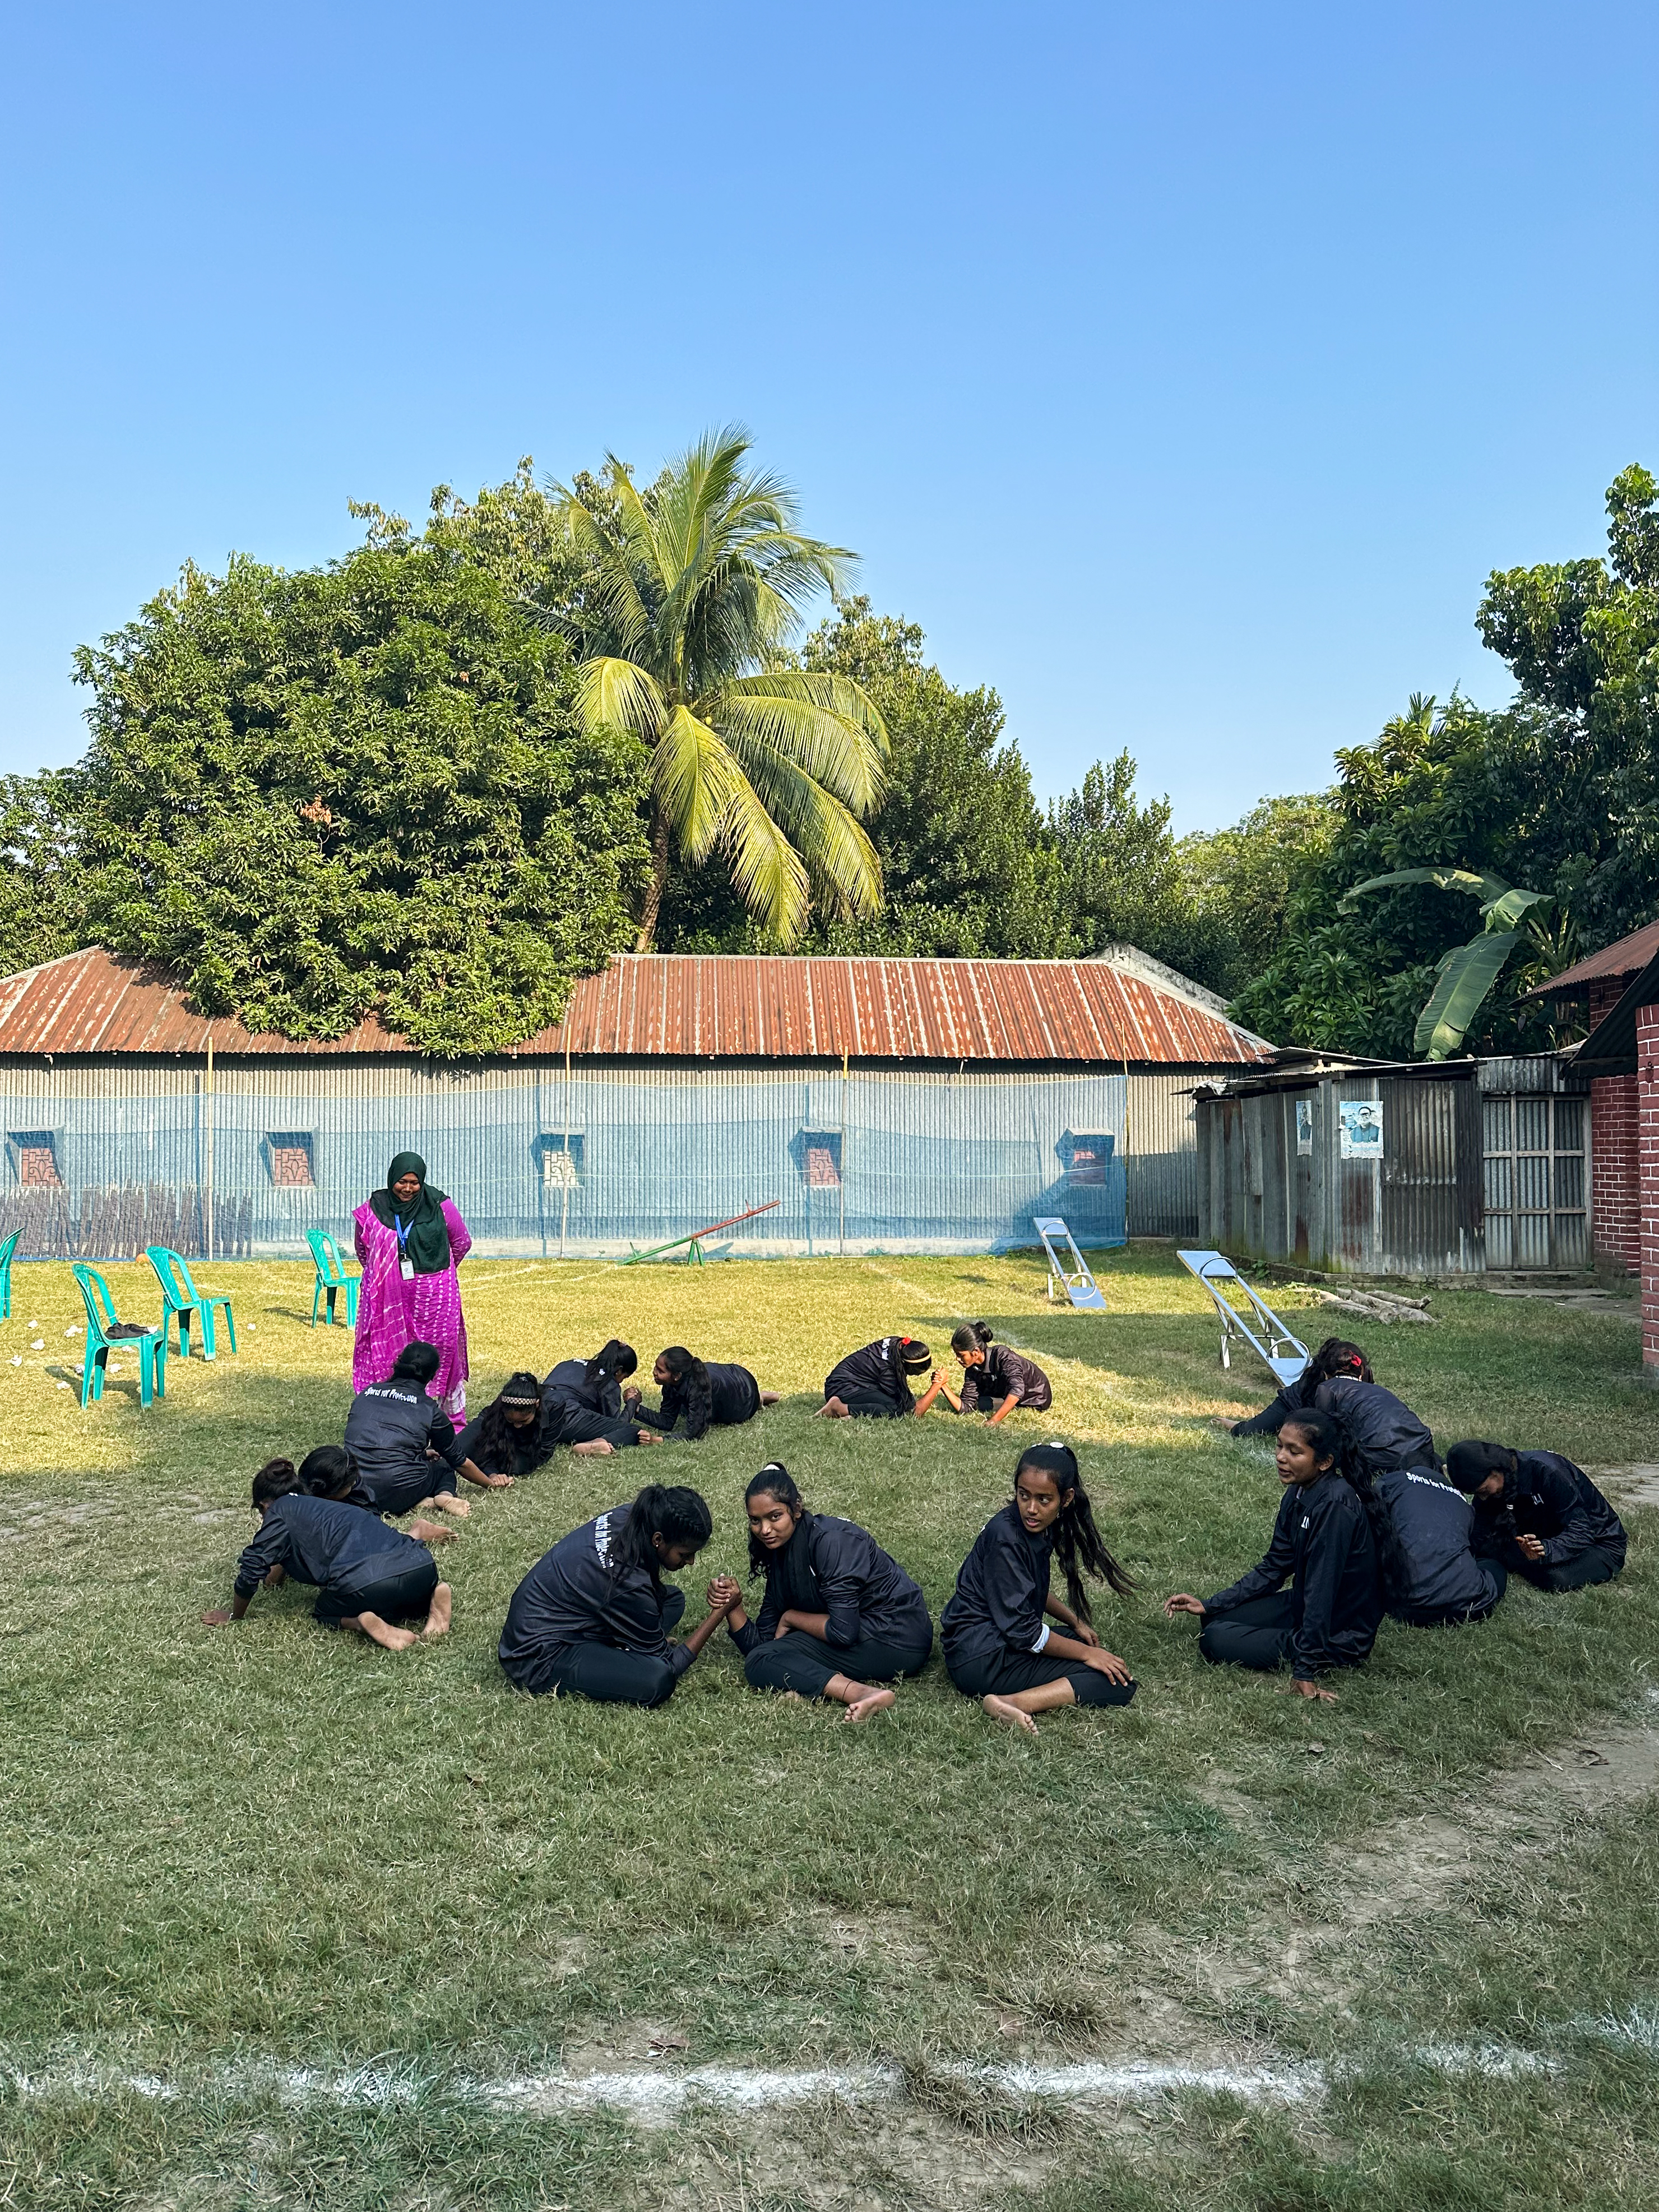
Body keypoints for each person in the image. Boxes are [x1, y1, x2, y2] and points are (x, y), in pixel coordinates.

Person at [1166, 1408, 1383, 1701]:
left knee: (1214, 1639)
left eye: (1295, 1451)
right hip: (1303, 1604)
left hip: (1339, 1631)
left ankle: (1310, 1648)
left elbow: (1322, 1590)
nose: (1281, 1457)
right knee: (1214, 1618)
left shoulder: (1335, 1507)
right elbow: (1274, 1566)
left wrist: (1304, 1672)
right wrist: (1210, 1604)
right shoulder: (1298, 1492)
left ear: (1325, 1462)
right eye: (1280, 1445)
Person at [707, 1463, 934, 1722]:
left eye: (775, 1517)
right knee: (763, 1659)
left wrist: (791, 1617)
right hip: (861, 1629)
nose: (765, 1530)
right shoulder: (781, 1552)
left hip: (898, 1637)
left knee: (763, 1660)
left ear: (796, 1509)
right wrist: (732, 1606)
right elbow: (764, 1644)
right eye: (755, 1521)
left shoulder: (832, 1542)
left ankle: (861, 1693)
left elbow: (843, 1632)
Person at [941, 1442, 1136, 1734]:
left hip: (988, 1645)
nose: (1031, 1509)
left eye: (1044, 1500)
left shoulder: (1038, 1526)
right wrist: (1087, 1656)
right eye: (1024, 1496)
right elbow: (1025, 1632)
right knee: (1115, 1683)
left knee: (1087, 1648)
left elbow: (1028, 1590)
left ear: (1066, 1498)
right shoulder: (1006, 1537)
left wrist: (1075, 1622)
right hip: (982, 1661)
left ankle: (1021, 1692)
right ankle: (1010, 1702)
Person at [498, 1483, 730, 1706]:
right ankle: (632, 1650)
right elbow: (669, 1666)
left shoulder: (630, 1516)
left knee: (672, 1599)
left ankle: (634, 1646)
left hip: (549, 1617)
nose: (691, 1562)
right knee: (658, 1679)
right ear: (658, 1540)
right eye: (685, 1554)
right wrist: (718, 1615)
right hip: (536, 1655)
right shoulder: (630, 1586)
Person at [201, 1458, 453, 1651]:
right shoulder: (332, 1507)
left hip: (368, 1583)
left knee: (323, 1610)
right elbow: (278, 1571)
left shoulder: (279, 1512)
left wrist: (235, 1615)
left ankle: (361, 1623)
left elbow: (252, 1567)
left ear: (264, 1505)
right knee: (398, 1591)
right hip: (421, 1566)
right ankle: (431, 1600)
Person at [353, 1152, 473, 1428]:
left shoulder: (440, 1206)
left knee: (437, 1355)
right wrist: (386, 1274)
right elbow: (363, 1249)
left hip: (435, 1299)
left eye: (414, 1183)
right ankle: (387, 1417)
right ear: (392, 1179)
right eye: (402, 1182)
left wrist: (438, 1273)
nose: (407, 1189)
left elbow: (462, 1242)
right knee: (388, 1356)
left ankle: (444, 1421)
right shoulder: (373, 1208)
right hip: (387, 1301)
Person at [344, 1341, 512, 1519]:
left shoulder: (367, 1393)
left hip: (354, 1487)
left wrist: (421, 1455)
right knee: (444, 1465)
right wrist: (490, 1484)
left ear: (399, 1363)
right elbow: (460, 1462)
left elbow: (378, 1442)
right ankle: (445, 1497)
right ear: (432, 1375)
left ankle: (421, 1502)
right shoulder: (431, 1410)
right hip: (397, 1488)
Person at [1230, 1338, 1438, 1475]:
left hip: (1381, 1456)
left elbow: (1327, 1436)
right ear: (1362, 1373)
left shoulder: (1326, 1389)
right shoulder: (1378, 1391)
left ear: (1325, 1374)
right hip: (1423, 1444)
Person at [1445, 1440, 1627, 1593]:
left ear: (1495, 1471)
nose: (1483, 1498)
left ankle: (1529, 1561)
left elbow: (1582, 1532)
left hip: (1598, 1545)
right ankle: (1526, 1560)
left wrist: (1546, 1550)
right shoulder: (1495, 1484)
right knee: (1486, 1551)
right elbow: (1480, 1530)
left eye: (1484, 1491)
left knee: (1553, 1579)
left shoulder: (1548, 1471)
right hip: (1544, 1535)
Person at [1370, 1463, 1506, 1627]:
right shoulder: (1462, 1500)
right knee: (1494, 1566)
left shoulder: (1392, 1482)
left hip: (1400, 1598)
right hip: (1468, 1602)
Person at [453, 1371, 658, 1475]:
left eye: (523, 1421)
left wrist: (499, 1470)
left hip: (569, 1419)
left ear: (536, 1406)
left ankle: (597, 1443)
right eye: (511, 1421)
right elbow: (482, 1447)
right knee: (452, 1454)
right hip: (546, 1413)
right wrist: (491, 1471)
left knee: (633, 1431)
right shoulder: (502, 1407)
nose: (517, 1425)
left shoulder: (554, 1406)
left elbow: (539, 1455)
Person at [916, 1324, 1052, 1426]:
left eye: (961, 1355)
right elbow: (966, 1407)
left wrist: (994, 1420)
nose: (957, 1359)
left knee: (985, 1403)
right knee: (980, 1404)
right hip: (1005, 1393)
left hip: (1036, 1398)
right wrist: (942, 1385)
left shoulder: (1003, 1356)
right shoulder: (972, 1369)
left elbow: (1017, 1390)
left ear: (975, 1352)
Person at [629, 1348, 780, 1440]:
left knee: (690, 1411)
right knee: (686, 1409)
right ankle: (761, 1396)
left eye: (660, 1371)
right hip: (732, 1377)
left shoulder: (697, 1387)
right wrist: (635, 1407)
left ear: (677, 1376)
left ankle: (759, 1398)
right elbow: (667, 1421)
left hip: (744, 1395)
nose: (654, 1372)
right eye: (656, 1367)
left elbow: (694, 1432)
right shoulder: (671, 1382)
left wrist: (657, 1440)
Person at [817, 1336, 933, 1419]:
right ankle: (839, 1408)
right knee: (895, 1408)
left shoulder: (896, 1343)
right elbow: (913, 1411)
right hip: (842, 1388)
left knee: (890, 1400)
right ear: (903, 1364)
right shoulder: (888, 1370)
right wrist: (937, 1384)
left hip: (843, 1382)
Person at [544, 1341, 641, 1421]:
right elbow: (618, 1426)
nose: (621, 1382)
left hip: (540, 1409)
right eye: (624, 1377)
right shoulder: (609, 1385)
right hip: (561, 1418)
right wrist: (633, 1402)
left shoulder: (569, 1364)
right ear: (619, 1370)